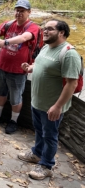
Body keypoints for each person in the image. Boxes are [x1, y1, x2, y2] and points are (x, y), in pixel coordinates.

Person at [19, 19, 81, 180]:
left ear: (62, 32)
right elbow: (42, 65)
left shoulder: (69, 54)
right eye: (44, 28)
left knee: (50, 135)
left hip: (52, 106)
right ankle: (37, 153)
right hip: (37, 102)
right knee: (40, 132)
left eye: (50, 29)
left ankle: (46, 165)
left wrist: (58, 106)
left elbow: (71, 83)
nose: (45, 31)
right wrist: (30, 67)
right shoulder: (47, 47)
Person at [0, 0, 41, 134]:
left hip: (18, 70)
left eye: (22, 11)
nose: (19, 13)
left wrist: (5, 42)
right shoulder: (9, 24)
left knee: (16, 97)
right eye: (17, 10)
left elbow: (24, 38)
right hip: (2, 66)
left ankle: (13, 121)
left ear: (29, 12)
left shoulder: (32, 27)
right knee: (1, 93)